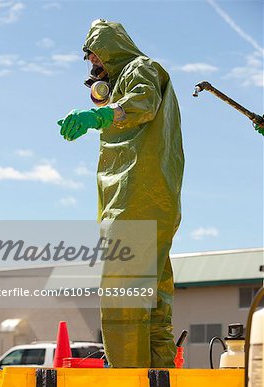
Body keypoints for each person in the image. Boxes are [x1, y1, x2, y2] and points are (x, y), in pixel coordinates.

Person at [58, 19, 184, 368]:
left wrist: (99, 115)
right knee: (153, 303)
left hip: (136, 200)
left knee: (123, 297)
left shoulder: (139, 69)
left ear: (111, 49)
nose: (93, 65)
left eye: (95, 55)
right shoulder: (126, 80)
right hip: (149, 199)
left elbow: (142, 103)